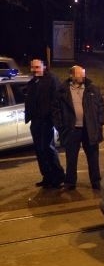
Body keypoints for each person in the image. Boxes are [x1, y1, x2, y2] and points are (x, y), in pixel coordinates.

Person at [53, 66, 104, 190]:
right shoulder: (62, 90)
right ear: (71, 75)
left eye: (83, 74)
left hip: (90, 129)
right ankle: (70, 182)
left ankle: (96, 181)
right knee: (71, 158)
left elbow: (101, 107)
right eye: (79, 75)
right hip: (71, 130)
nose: (82, 77)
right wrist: (60, 126)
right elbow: (55, 110)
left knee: (93, 157)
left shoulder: (92, 89)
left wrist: (99, 123)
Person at [24, 59, 65, 188]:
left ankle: (58, 177)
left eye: (37, 67)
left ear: (44, 67)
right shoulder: (33, 82)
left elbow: (58, 100)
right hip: (35, 121)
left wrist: (54, 119)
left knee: (48, 148)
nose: (34, 69)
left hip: (47, 121)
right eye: (32, 67)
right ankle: (46, 176)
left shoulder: (52, 80)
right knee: (39, 150)